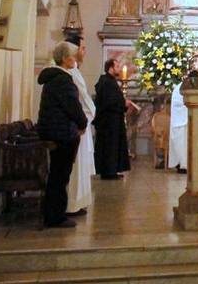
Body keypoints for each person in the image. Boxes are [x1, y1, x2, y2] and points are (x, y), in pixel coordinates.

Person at [36, 42, 88, 228]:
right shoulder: (62, 80)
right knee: (60, 176)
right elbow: (73, 107)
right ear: (66, 60)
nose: (75, 60)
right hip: (61, 133)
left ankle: (53, 213)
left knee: (58, 175)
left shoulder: (54, 78)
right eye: (73, 57)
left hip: (56, 131)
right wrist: (83, 123)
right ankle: (55, 216)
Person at [65, 38, 95, 215]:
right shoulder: (71, 73)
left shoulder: (74, 72)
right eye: (82, 48)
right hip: (77, 126)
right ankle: (72, 204)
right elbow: (80, 101)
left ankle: (78, 202)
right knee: (76, 167)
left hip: (80, 124)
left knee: (80, 166)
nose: (84, 52)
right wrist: (86, 118)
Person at [94, 58, 131, 179]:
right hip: (109, 122)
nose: (119, 69)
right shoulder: (106, 82)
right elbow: (109, 102)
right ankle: (109, 172)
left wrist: (122, 103)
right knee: (110, 146)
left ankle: (112, 170)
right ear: (110, 68)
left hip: (113, 120)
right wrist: (123, 104)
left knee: (113, 146)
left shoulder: (110, 81)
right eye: (117, 66)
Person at [167, 70, 198, 173]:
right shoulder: (180, 88)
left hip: (186, 120)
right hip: (180, 121)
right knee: (181, 145)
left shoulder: (188, 86)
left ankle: (187, 165)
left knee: (187, 145)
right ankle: (182, 166)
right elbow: (180, 103)